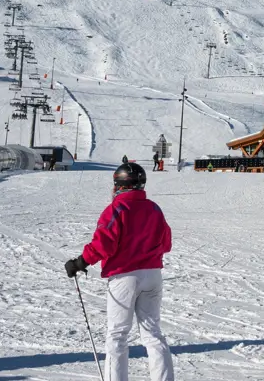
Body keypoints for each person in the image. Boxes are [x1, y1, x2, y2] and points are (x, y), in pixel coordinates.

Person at [64, 163, 174, 381]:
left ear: (119, 185)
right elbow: (166, 242)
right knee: (153, 334)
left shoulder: (117, 209)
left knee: (117, 335)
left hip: (124, 276)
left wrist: (80, 262)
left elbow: (104, 244)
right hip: (152, 275)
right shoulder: (154, 209)